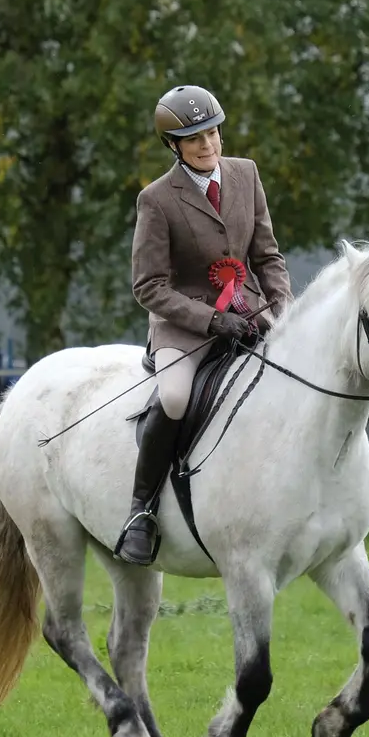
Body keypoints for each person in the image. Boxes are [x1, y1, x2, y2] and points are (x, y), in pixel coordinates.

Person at [116, 84, 293, 564]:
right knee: (174, 397)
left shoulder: (246, 174)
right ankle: (141, 511)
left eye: (212, 132)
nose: (208, 144)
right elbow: (148, 286)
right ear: (173, 145)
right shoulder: (156, 199)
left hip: (249, 312)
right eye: (194, 138)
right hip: (185, 322)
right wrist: (211, 320)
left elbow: (267, 254)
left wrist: (283, 307)